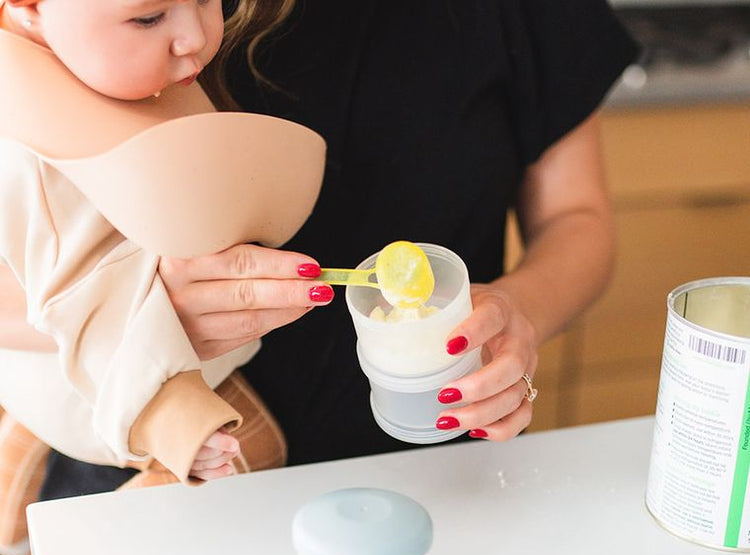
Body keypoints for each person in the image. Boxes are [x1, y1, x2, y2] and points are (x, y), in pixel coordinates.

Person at [1, 0, 639, 500]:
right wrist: (135, 319)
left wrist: (517, 312)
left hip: (431, 479)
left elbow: (576, 219)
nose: (193, 36)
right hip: (156, 482)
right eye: (147, 18)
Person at [0, 0, 329, 526]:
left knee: (38, 408)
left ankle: (15, 460)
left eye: (207, 0)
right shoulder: (32, 152)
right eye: (149, 18)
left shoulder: (85, 55)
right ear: (29, 8)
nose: (195, 36)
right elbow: (86, 298)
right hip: (109, 375)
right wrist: (175, 419)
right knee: (253, 447)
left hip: (37, 372)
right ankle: (90, 553)